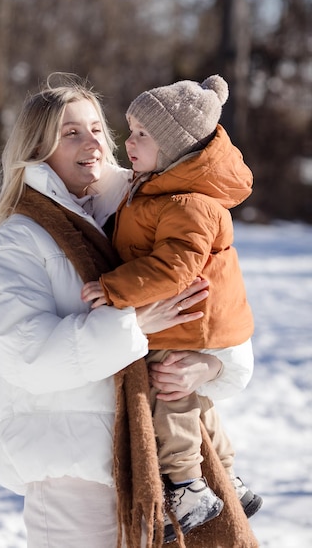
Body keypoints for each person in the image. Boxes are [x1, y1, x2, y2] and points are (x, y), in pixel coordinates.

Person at [0, 73, 256, 548]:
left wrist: (209, 364)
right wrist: (133, 325)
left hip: (157, 468)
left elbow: (218, 306)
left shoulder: (153, 207)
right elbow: (26, 355)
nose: (93, 143)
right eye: (70, 133)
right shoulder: (18, 241)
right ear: (37, 148)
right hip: (72, 474)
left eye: (97, 128)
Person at [81, 75, 263, 543]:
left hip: (189, 320)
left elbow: (174, 268)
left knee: (171, 397)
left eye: (143, 134)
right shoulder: (160, 190)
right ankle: (226, 474)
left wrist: (114, 289)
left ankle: (185, 483)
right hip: (192, 319)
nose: (129, 141)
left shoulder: (188, 203)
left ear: (174, 147)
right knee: (196, 405)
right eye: (130, 128)